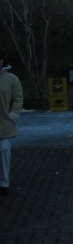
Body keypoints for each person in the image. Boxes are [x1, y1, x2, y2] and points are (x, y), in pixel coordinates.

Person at [0, 49, 24, 197]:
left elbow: (18, 97)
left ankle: (3, 183)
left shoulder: (11, 79)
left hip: (3, 122)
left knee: (4, 149)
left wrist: (14, 114)